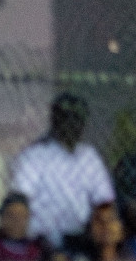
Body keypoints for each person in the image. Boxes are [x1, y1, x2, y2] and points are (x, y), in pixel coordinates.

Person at [9, 93, 115, 248]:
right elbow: (19, 200)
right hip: (40, 240)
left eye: (77, 119)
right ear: (54, 120)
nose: (72, 124)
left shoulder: (89, 156)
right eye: (66, 117)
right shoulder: (35, 154)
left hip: (80, 238)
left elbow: (104, 201)